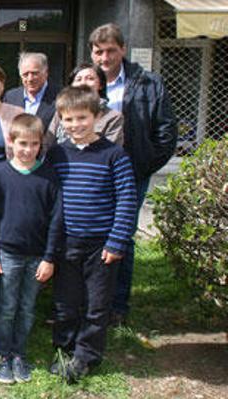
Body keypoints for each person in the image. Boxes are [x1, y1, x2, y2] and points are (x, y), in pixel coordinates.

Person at [46, 86, 137, 383]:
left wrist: (116, 240)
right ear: (60, 120)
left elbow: (127, 199)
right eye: (68, 120)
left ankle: (87, 355)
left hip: (101, 245)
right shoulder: (57, 154)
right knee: (66, 301)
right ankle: (65, 347)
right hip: (66, 241)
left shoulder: (114, 155)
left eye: (81, 118)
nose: (75, 125)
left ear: (96, 117)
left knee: (97, 304)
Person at [88, 23, 178, 324]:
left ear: (123, 50)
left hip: (131, 174)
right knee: (94, 235)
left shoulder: (147, 83)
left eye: (111, 50)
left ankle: (117, 307)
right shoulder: (88, 83)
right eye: (99, 51)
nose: (105, 57)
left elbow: (166, 133)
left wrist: (142, 166)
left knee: (122, 236)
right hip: (94, 176)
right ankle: (92, 301)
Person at [0, 114, 63, 385]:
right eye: (22, 144)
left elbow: (56, 219)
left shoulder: (49, 176)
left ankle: (19, 353)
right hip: (7, 252)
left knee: (27, 307)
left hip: (37, 255)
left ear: (41, 144)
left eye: (34, 144)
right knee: (7, 306)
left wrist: (49, 258)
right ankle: (2, 355)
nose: (28, 150)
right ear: (11, 142)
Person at [45, 63, 124, 150]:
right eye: (78, 79)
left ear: (101, 84)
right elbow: (48, 143)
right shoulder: (61, 112)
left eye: (90, 78)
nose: (83, 83)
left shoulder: (113, 117)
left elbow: (110, 151)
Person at [3, 52, 58, 130]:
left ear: (46, 73)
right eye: (25, 74)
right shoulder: (11, 97)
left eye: (35, 73)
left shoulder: (60, 96)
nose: (30, 79)